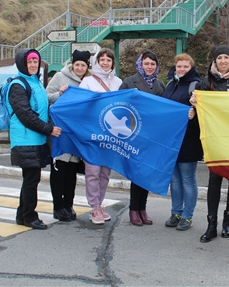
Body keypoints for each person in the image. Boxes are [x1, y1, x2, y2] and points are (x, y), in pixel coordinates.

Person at [192, 45, 229, 243]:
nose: (223, 61)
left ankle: (228, 221)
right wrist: (194, 102)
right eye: (219, 58)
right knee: (214, 181)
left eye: (226, 58)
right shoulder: (206, 82)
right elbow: (199, 105)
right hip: (216, 138)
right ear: (214, 61)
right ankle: (211, 224)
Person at [8, 48, 62, 230]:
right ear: (22, 63)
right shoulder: (18, 85)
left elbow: (42, 108)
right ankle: (30, 216)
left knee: (31, 178)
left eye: (35, 61)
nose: (33, 65)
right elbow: (26, 115)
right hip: (25, 139)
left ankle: (22, 214)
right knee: (31, 178)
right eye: (29, 61)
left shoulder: (36, 82)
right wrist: (48, 129)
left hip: (36, 138)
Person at [119, 51, 165, 226]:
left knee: (147, 172)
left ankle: (143, 208)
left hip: (152, 135)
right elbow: (119, 104)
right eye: (146, 63)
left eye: (152, 64)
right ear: (140, 64)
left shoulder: (160, 85)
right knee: (136, 173)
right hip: (135, 133)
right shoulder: (130, 82)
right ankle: (133, 209)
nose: (150, 67)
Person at [46, 50, 91, 222]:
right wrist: (60, 94)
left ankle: (68, 205)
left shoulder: (88, 82)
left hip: (77, 133)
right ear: (72, 64)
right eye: (77, 64)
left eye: (83, 65)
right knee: (59, 169)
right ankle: (58, 207)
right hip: (60, 131)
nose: (80, 68)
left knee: (72, 171)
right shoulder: (59, 77)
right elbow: (47, 96)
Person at [79, 48, 123, 225]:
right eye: (101, 60)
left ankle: (100, 204)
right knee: (92, 171)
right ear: (96, 62)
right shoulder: (87, 82)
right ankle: (94, 206)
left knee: (105, 173)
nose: (105, 63)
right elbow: (80, 104)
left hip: (111, 134)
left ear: (113, 63)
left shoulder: (118, 82)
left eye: (108, 60)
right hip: (92, 134)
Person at [163, 53, 203, 231]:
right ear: (175, 67)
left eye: (185, 67)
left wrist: (194, 111)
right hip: (172, 139)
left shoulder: (196, 85)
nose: (182, 69)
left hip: (189, 139)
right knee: (175, 179)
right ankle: (176, 212)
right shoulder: (171, 83)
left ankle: (187, 215)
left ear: (191, 67)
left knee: (187, 178)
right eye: (179, 66)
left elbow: (204, 111)